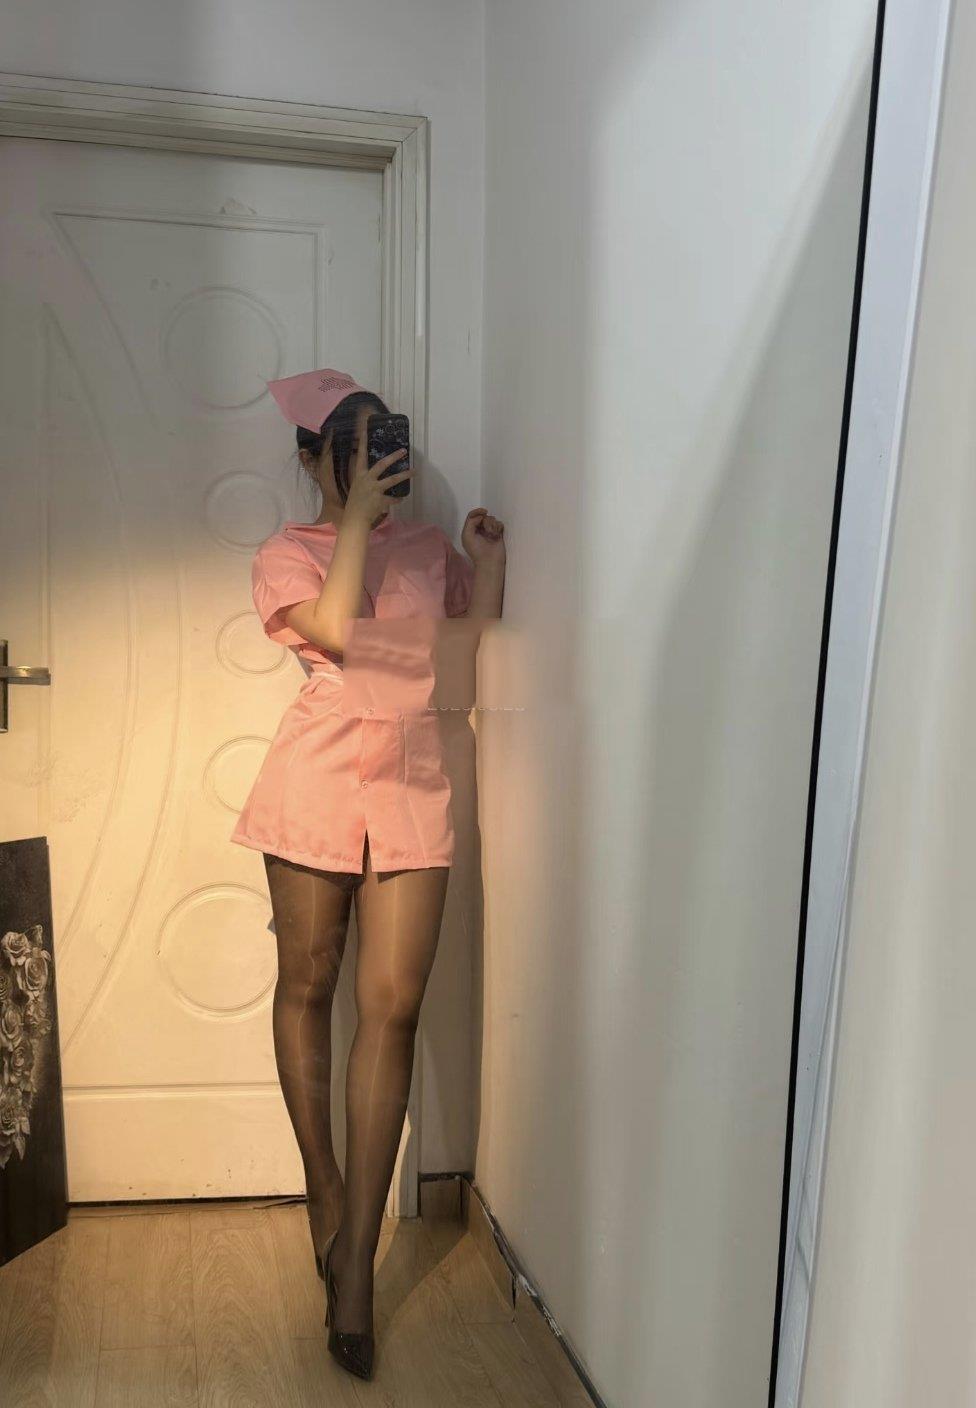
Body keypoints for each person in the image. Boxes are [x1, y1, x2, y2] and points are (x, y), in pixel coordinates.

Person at [229, 368, 505, 1380]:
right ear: (313, 460)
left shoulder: (427, 550)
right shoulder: (285, 554)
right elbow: (341, 634)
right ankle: (326, 1189)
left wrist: (486, 564)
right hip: (314, 782)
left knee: (393, 1007)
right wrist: (352, 527)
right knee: (307, 989)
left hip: (412, 784)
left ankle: (354, 1267)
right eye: (349, 449)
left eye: (383, 443)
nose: (373, 463)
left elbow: (464, 651)